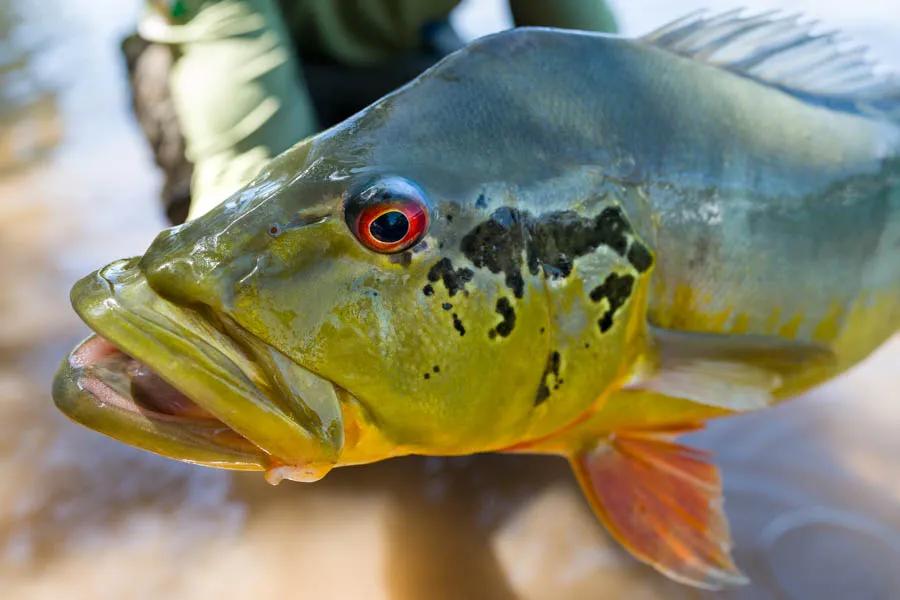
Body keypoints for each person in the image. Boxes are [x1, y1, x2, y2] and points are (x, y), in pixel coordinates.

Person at [126, 0, 618, 223]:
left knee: (484, 201)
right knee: (247, 215)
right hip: (232, 60)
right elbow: (247, 151)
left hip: (398, 52)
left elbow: (592, 73)